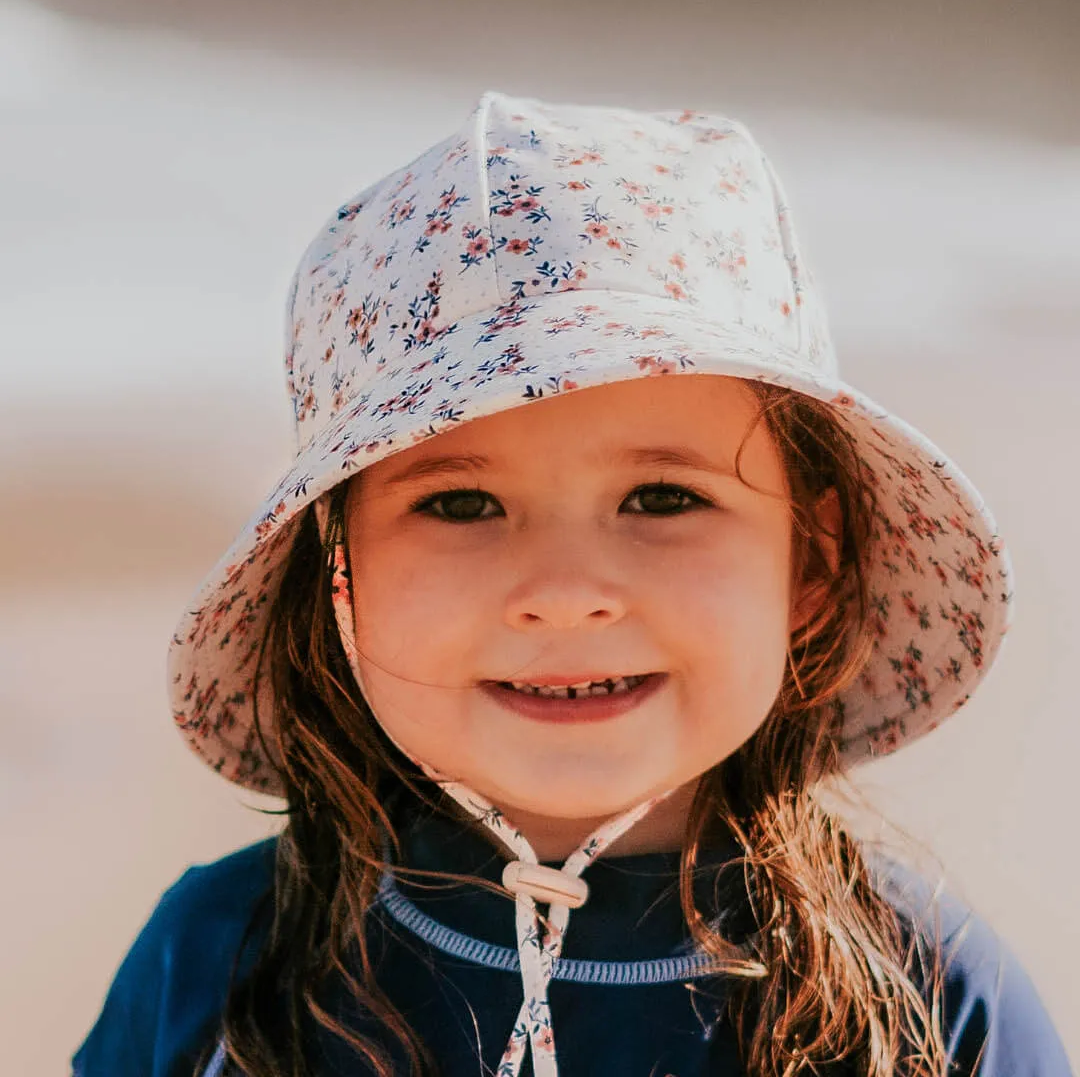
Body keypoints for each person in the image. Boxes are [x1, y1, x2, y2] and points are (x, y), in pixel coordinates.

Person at [72, 92, 1074, 1077]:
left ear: (808, 560)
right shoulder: (224, 956)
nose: (564, 594)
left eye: (661, 498)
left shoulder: (925, 1003)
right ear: (340, 573)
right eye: (462, 506)